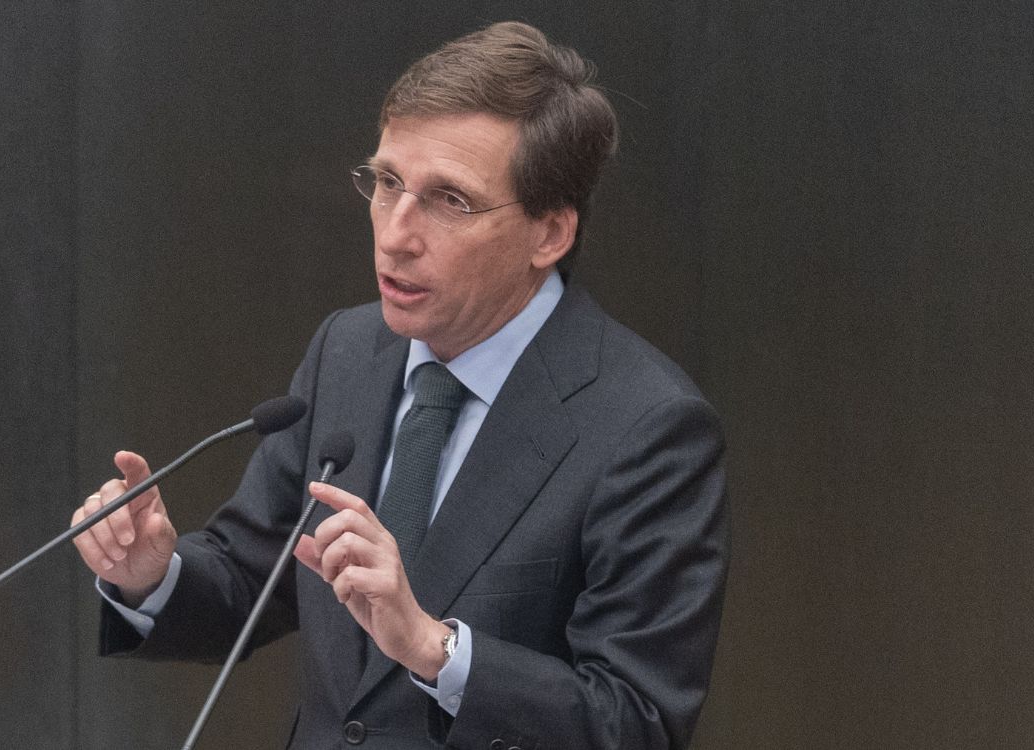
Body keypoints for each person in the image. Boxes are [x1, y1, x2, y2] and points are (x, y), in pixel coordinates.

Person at [72, 21, 728, 750]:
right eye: (387, 184)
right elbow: (249, 577)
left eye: (450, 201)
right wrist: (151, 575)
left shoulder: (647, 426)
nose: (395, 235)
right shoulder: (349, 352)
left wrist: (434, 648)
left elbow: (634, 722)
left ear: (549, 234)